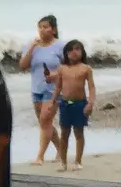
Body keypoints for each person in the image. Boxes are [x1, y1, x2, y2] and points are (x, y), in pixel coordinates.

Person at [18, 14, 65, 164]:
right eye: (40, 27)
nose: (42, 30)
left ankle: (40, 156)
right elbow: (23, 66)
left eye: (46, 27)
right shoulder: (32, 46)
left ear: (54, 29)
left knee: (45, 119)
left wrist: (55, 74)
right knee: (45, 123)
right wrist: (32, 46)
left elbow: (69, 68)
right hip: (36, 89)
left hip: (54, 89)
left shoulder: (61, 46)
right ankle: (61, 150)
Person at [47, 40, 95, 169]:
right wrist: (52, 102)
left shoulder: (86, 68)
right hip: (65, 104)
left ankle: (78, 161)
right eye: (70, 50)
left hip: (80, 104)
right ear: (66, 53)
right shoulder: (62, 68)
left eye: (77, 49)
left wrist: (90, 103)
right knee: (64, 134)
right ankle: (63, 162)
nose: (74, 52)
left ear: (82, 51)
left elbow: (91, 88)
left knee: (79, 133)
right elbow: (58, 88)